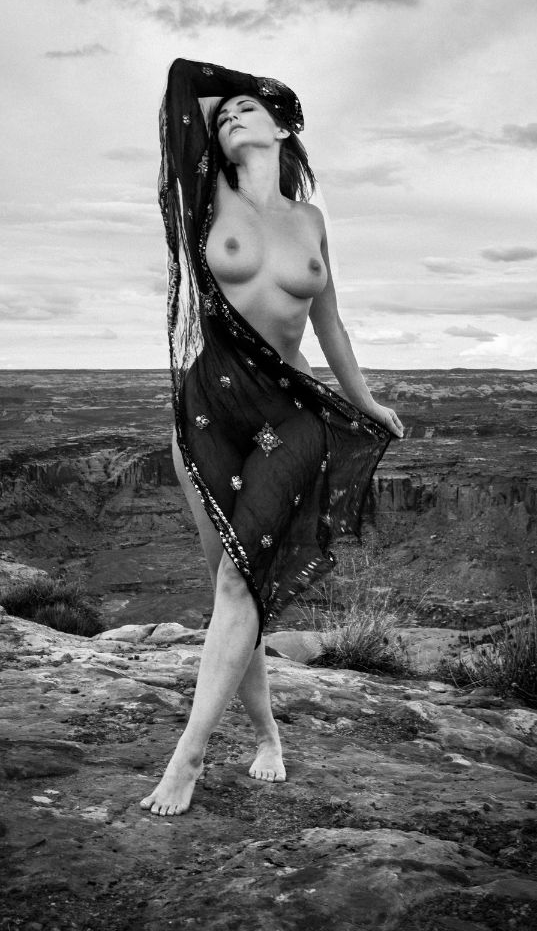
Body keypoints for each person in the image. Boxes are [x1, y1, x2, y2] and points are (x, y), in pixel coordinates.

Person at [140, 58, 403, 817]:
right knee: (238, 586)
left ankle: (188, 758)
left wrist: (365, 401)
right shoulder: (204, 197)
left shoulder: (311, 220)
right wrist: (245, 94)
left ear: (284, 128)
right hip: (210, 410)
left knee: (236, 585)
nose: (230, 116)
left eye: (247, 110)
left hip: (290, 412)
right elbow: (184, 83)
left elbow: (330, 324)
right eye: (223, 115)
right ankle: (266, 736)